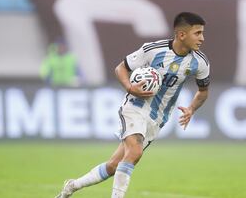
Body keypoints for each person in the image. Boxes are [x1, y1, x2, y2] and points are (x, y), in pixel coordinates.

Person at [55, 11, 210, 198]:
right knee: (135, 152)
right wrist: (130, 87)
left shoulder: (200, 63)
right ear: (181, 34)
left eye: (202, 33)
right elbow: (121, 68)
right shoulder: (153, 49)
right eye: (198, 33)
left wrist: (192, 108)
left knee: (113, 165)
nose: (202, 38)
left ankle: (72, 186)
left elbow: (203, 91)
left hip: (158, 118)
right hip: (135, 105)